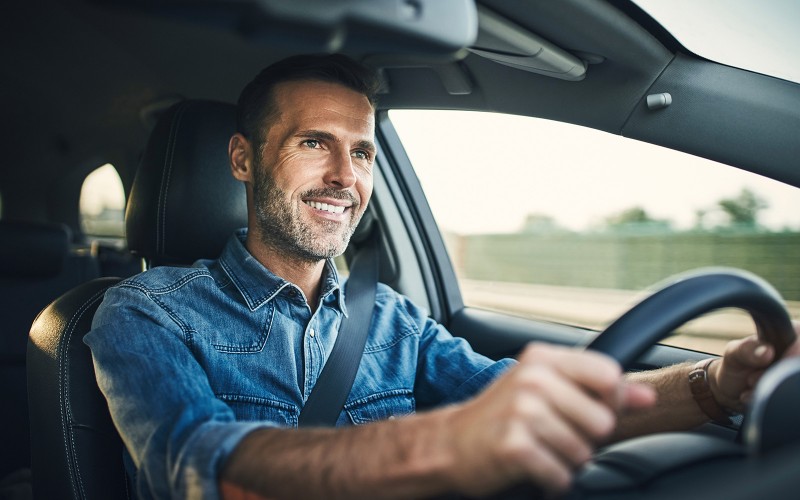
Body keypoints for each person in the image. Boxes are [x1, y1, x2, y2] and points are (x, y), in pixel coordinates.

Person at [86, 54, 800, 500]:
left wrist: (716, 384)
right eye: (314, 144)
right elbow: (195, 465)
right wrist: (446, 446)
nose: (344, 177)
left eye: (362, 154)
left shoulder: (391, 317)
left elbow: (525, 404)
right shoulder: (148, 312)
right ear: (243, 159)